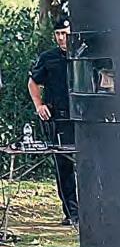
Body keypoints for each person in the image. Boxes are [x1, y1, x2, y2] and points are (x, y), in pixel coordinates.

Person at [27, 17, 79, 225]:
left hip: (85, 119)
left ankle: (94, 210)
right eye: (57, 34)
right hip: (59, 119)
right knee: (63, 167)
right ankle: (72, 213)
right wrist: (39, 105)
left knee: (90, 165)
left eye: (64, 33)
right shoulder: (48, 58)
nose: (61, 38)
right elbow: (33, 82)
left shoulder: (86, 55)